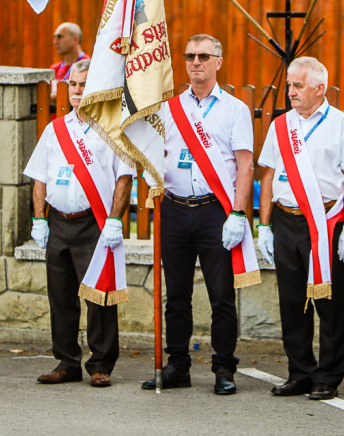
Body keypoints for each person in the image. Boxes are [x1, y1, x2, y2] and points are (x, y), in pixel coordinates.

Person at [142, 34, 253, 396]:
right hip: (174, 209)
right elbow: (154, 151)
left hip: (213, 211)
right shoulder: (169, 108)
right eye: (190, 56)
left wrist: (237, 212)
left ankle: (224, 367)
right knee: (176, 295)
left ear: (218, 61)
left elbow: (245, 165)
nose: (195, 62)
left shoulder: (234, 109)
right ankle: (178, 365)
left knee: (221, 295)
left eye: (204, 56)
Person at [256, 56, 344, 402]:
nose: (290, 92)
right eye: (289, 85)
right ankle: (299, 372)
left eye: (298, 85)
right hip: (286, 220)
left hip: (326, 222)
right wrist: (265, 225)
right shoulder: (281, 125)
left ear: (320, 88)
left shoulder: (343, 125)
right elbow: (268, 175)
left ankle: (328, 377)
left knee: (328, 303)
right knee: (291, 302)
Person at [24, 59, 133, 388]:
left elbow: (124, 178)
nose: (76, 90)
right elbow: (40, 178)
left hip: (94, 223)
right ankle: (66, 361)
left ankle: (100, 364)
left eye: (84, 84)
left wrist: (115, 220)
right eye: (73, 84)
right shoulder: (55, 130)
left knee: (99, 296)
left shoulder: (113, 129)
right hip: (59, 222)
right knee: (60, 296)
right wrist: (39, 220)